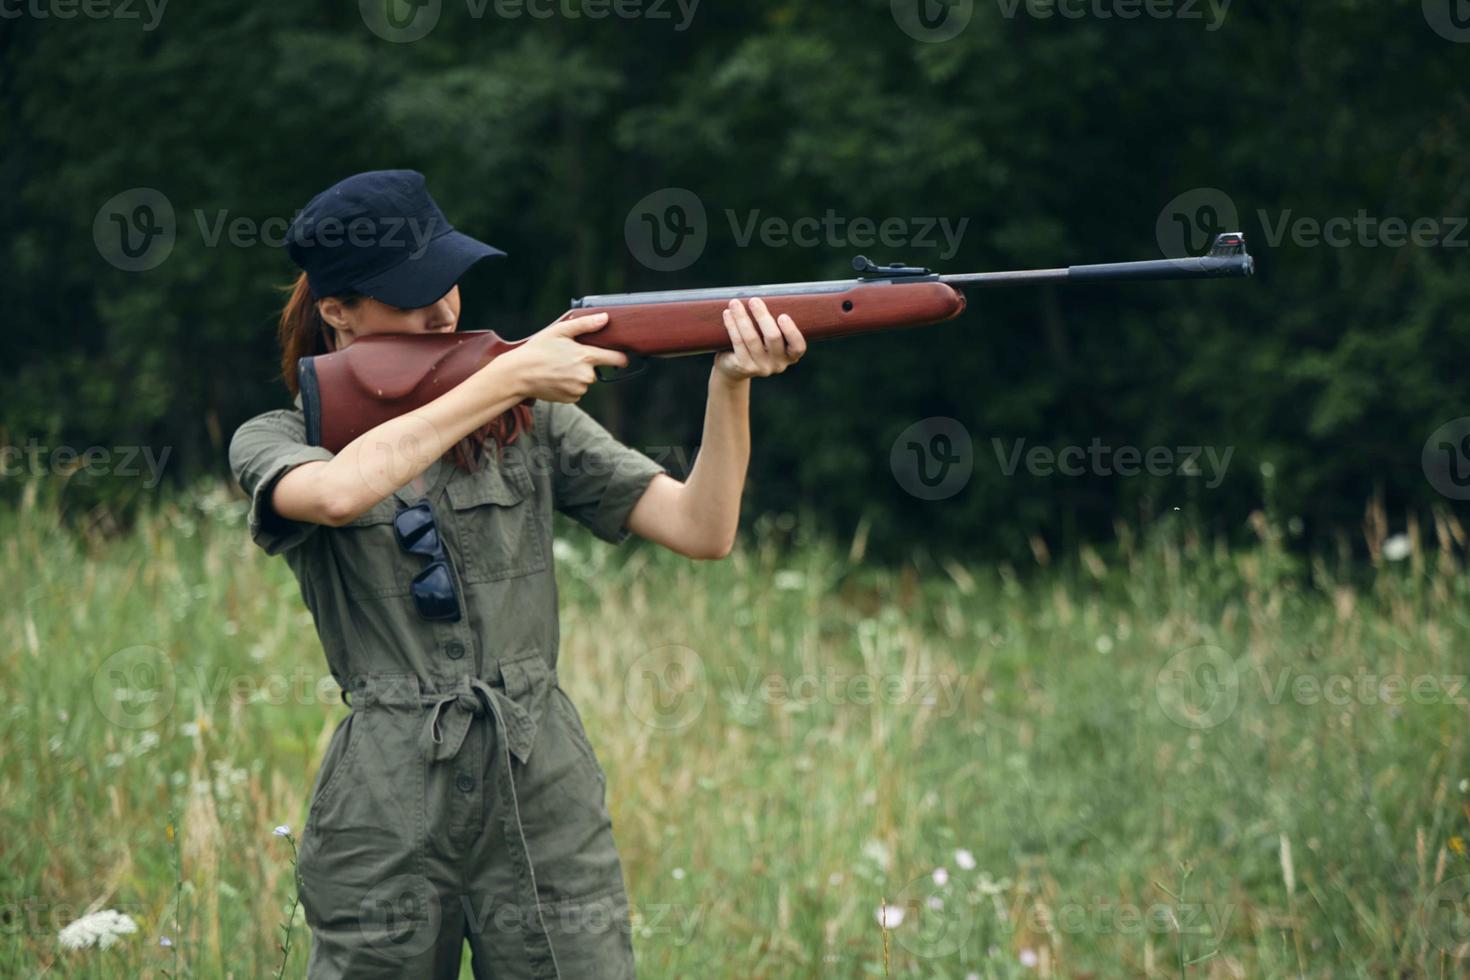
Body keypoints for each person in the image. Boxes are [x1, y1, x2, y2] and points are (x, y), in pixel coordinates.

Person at [227, 169, 805, 979]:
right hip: (386, 798)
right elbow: (338, 491)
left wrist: (730, 384)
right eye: (411, 292)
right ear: (337, 312)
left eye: (450, 282)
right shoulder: (279, 433)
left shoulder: (530, 419)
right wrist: (506, 377)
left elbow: (700, 529)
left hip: (542, 783)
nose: (444, 309)